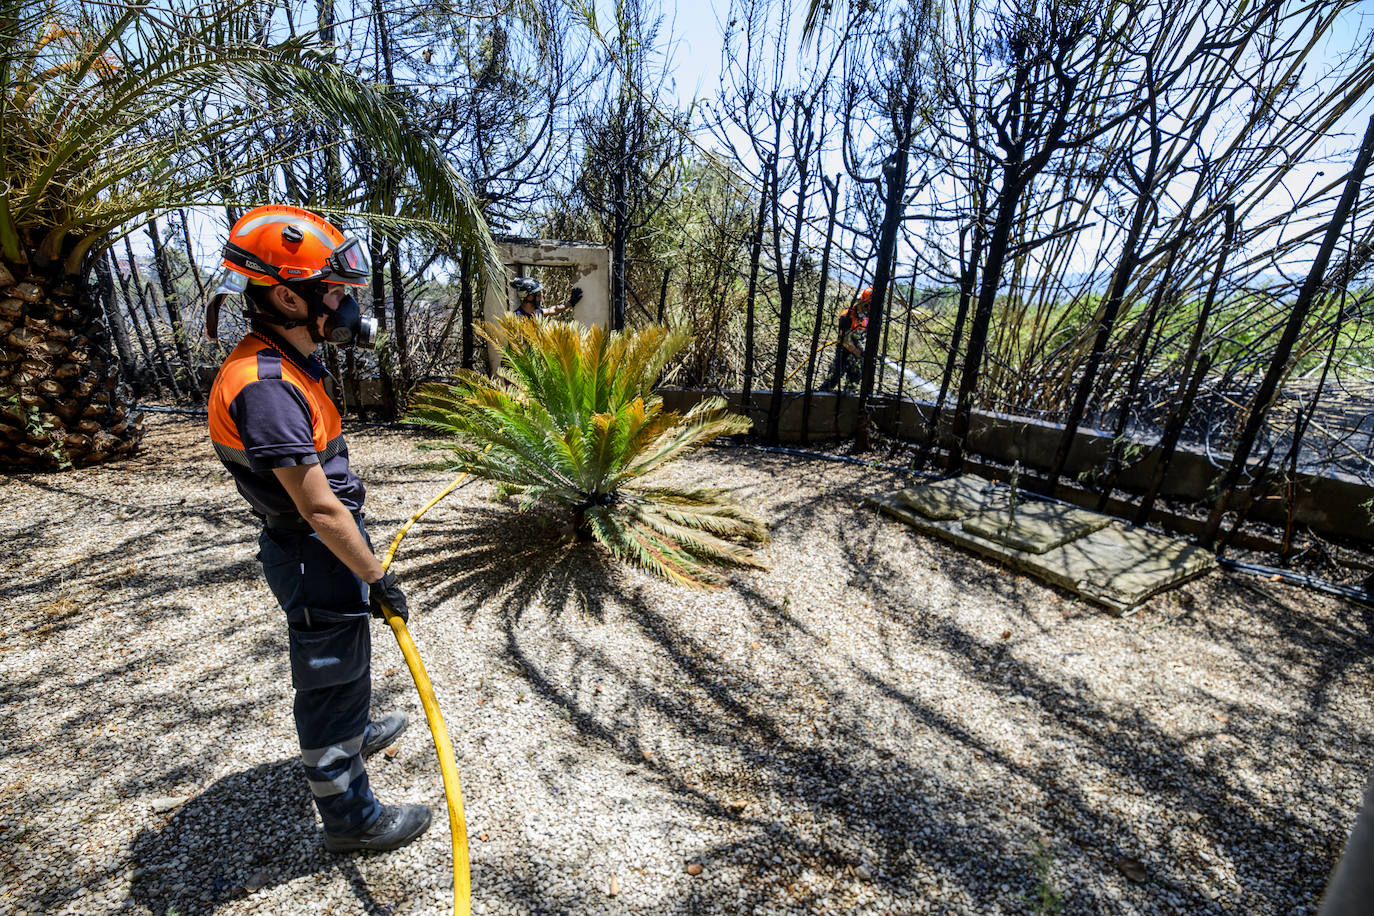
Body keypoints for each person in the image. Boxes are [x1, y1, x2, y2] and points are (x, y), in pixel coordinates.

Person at [205, 204, 429, 853]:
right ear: (284, 294)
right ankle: (350, 819)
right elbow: (319, 509)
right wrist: (376, 574)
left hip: (323, 548)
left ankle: (353, 732)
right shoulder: (265, 386)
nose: (345, 305)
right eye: (333, 292)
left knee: (346, 653)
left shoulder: (287, 361)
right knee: (328, 673)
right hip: (313, 548)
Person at [819, 286, 871, 392]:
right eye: (867, 305)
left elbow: (864, 337)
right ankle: (822, 396)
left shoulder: (868, 317)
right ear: (861, 302)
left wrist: (865, 352)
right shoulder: (847, 316)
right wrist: (859, 353)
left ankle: (848, 400)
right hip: (844, 351)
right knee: (834, 376)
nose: (868, 309)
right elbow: (846, 341)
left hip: (857, 355)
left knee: (854, 380)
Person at [511, 275, 582, 318]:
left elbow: (554, 310)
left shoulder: (536, 313)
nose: (541, 299)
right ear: (530, 297)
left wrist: (571, 302)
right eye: (538, 295)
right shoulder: (517, 317)